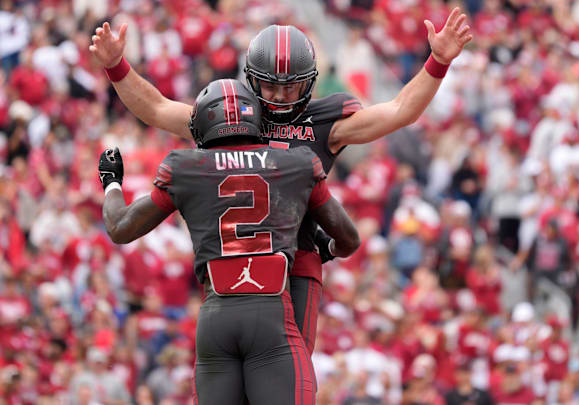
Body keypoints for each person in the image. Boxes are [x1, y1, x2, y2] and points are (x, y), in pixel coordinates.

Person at [89, 10, 471, 354]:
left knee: (290, 369)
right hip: (233, 260)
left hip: (297, 259)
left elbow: (400, 111)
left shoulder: (325, 123)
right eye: (271, 86)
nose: (280, 96)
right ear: (251, 81)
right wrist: (116, 67)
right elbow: (157, 108)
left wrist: (438, 61)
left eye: (291, 86)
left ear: (309, 83)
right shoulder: (228, 114)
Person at [98, 79, 360, 404]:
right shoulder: (297, 163)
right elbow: (349, 239)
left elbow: (120, 227)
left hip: (216, 318)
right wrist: (328, 248)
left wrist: (111, 183)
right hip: (272, 316)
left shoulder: (185, 168)